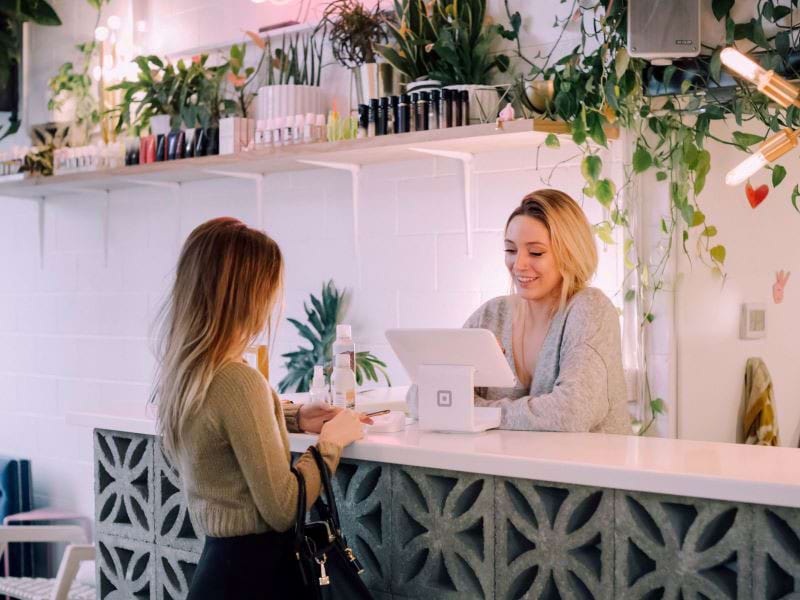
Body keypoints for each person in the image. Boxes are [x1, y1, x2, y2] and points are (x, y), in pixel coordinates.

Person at [152, 217, 369, 599]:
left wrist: (293, 417)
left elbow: (219, 425)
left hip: (216, 572)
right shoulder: (238, 380)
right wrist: (331, 442)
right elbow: (284, 506)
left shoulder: (186, 373)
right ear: (249, 295)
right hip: (258, 578)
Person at [466, 189, 630, 433]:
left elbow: (572, 413)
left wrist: (478, 412)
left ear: (570, 253)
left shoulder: (591, 310)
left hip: (586, 469)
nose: (518, 264)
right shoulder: (492, 315)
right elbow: (423, 396)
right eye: (511, 250)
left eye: (536, 252)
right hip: (514, 468)